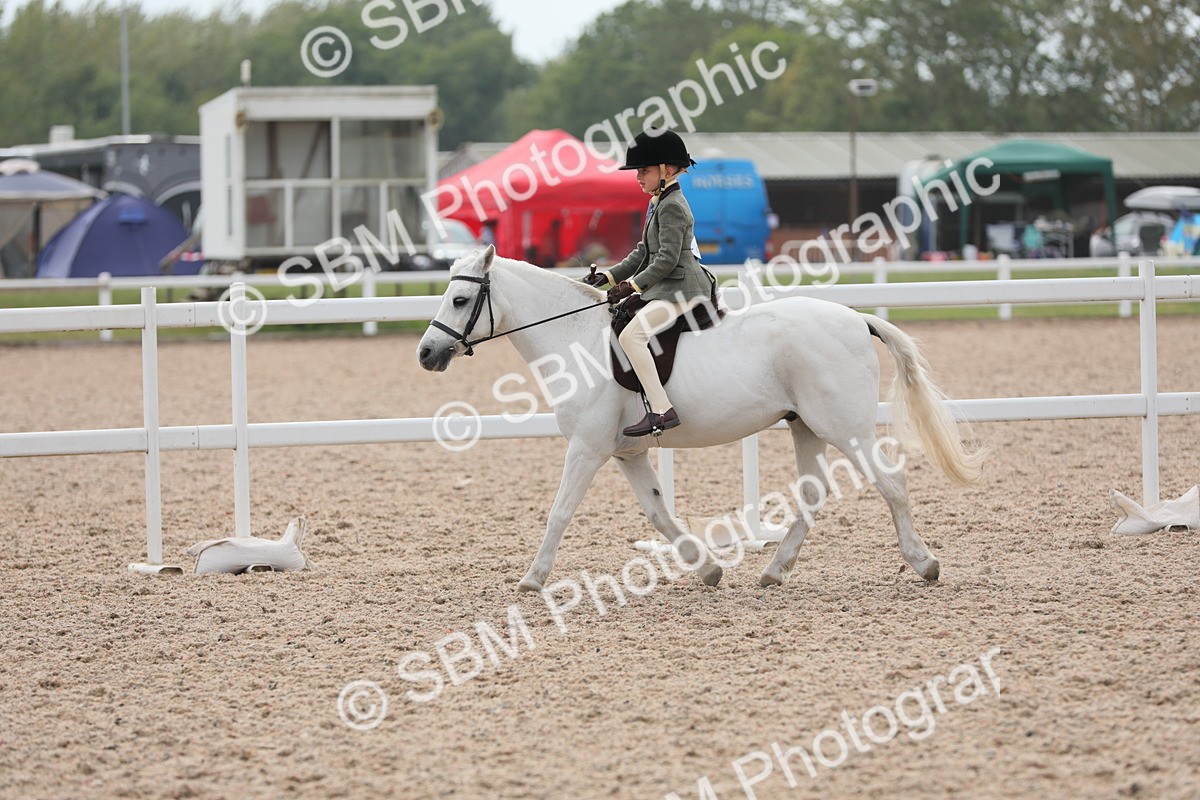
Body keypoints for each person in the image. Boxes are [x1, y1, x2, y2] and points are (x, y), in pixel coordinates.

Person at [582, 128, 714, 437]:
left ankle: (661, 409)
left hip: (684, 288)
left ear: (666, 171)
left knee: (632, 337)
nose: (638, 177)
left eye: (644, 171)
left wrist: (632, 286)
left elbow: (666, 259)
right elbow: (644, 251)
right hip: (669, 285)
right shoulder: (658, 201)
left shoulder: (672, 206)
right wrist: (610, 275)